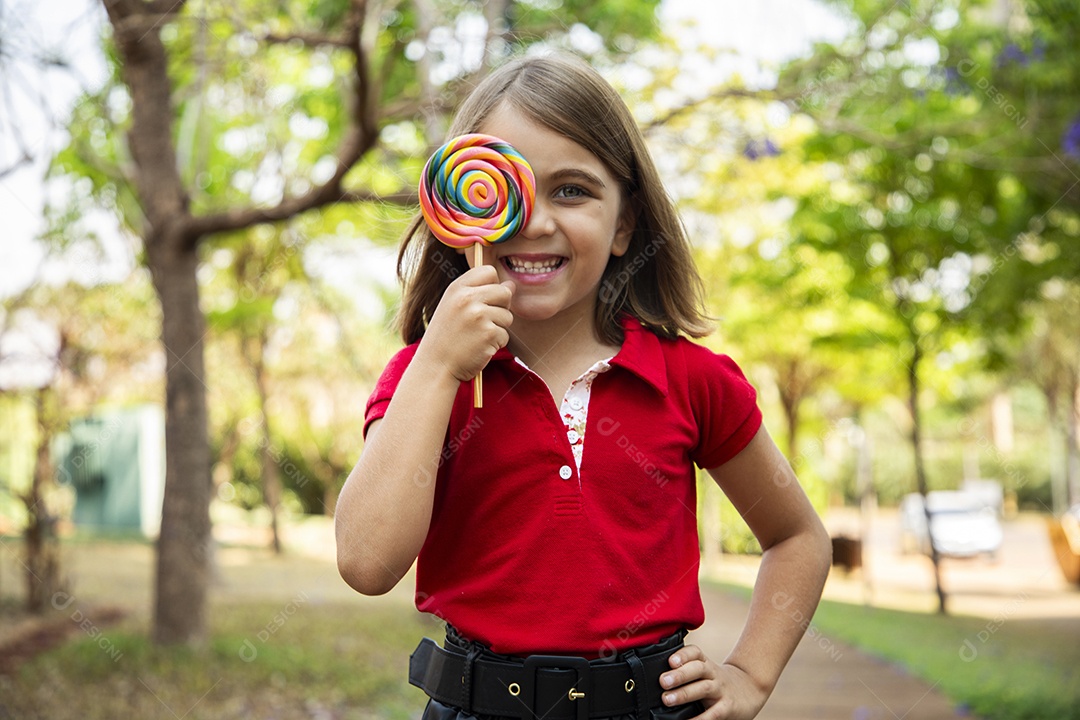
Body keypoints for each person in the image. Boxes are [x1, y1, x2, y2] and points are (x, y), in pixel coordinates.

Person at [336, 52, 831, 720]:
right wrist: (436, 365)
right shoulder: (423, 381)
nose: (536, 221)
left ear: (625, 224)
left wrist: (748, 674)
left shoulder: (692, 381)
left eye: (572, 190)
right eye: (506, 188)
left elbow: (798, 537)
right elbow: (367, 563)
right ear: (457, 212)